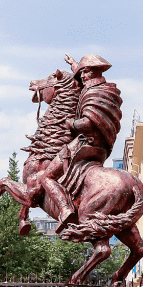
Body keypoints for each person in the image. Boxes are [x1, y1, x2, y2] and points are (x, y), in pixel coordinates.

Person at [35, 54, 123, 231]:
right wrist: (75, 65)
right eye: (81, 72)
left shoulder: (96, 92)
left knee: (45, 176)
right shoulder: (102, 87)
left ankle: (65, 208)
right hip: (101, 148)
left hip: (84, 143)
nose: (82, 76)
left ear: (96, 72)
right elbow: (81, 81)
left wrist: (71, 123)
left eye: (86, 72)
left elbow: (89, 122)